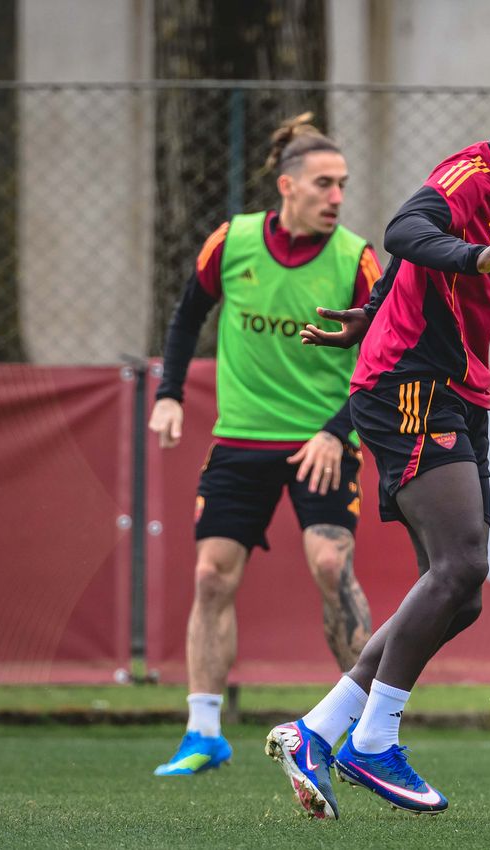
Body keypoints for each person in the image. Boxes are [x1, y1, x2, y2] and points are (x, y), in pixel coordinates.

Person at [264, 58, 490, 819]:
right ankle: (373, 742)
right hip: (410, 383)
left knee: (462, 596)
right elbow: (406, 230)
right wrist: (474, 255)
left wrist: (372, 308)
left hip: (459, 387)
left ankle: (318, 730)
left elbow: (408, 266)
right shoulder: (468, 176)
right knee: (461, 563)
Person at [150, 114, 382, 776]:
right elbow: (187, 317)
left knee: (331, 567)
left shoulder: (357, 259)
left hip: (323, 441)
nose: (337, 197)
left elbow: (387, 357)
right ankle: (203, 733)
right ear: (287, 186)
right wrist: (169, 392)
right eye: (324, 184)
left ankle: (369, 736)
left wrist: (337, 430)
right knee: (210, 575)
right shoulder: (233, 242)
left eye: (343, 184)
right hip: (241, 438)